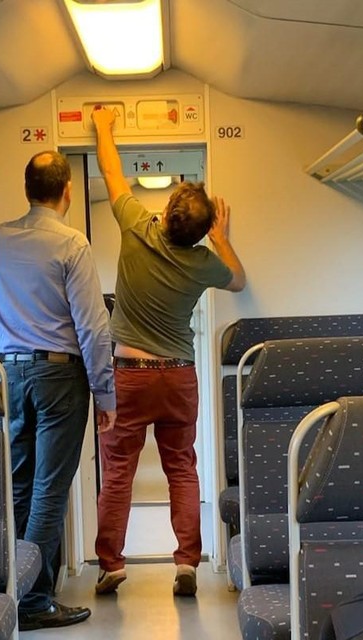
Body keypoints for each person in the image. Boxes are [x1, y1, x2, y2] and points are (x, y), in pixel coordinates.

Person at [90, 106, 246, 597]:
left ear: (167, 209)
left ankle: (112, 565)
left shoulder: (136, 226)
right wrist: (221, 238)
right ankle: (186, 564)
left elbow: (113, 171)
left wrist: (103, 126)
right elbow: (239, 279)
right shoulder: (203, 264)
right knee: (182, 466)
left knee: (118, 472)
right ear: (200, 231)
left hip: (129, 374)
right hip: (178, 375)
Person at [0, 150, 116, 630]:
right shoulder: (72, 244)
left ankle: (16, 590)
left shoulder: (0, 237)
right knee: (50, 488)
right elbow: (93, 328)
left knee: (21, 485)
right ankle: (35, 600)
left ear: (27, 190)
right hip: (59, 376)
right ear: (68, 191)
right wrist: (105, 394)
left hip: (10, 372)